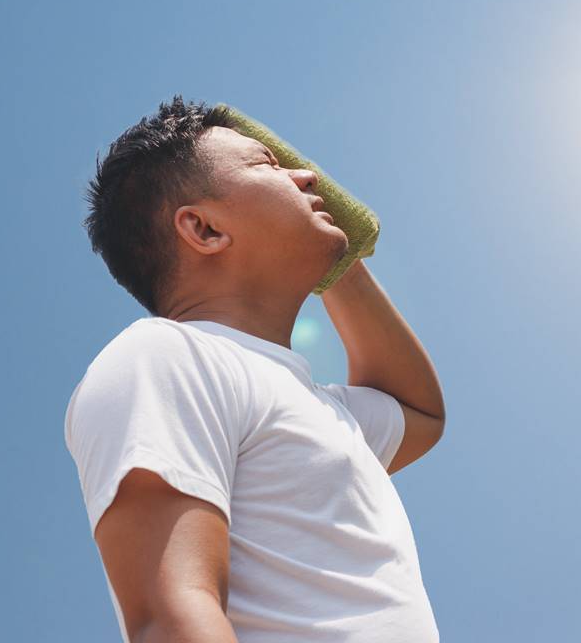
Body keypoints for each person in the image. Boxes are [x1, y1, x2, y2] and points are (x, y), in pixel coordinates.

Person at [64, 96, 446, 642]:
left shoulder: (321, 406)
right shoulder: (165, 358)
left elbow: (420, 412)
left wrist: (338, 246)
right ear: (204, 229)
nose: (308, 174)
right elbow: (168, 616)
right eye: (267, 165)